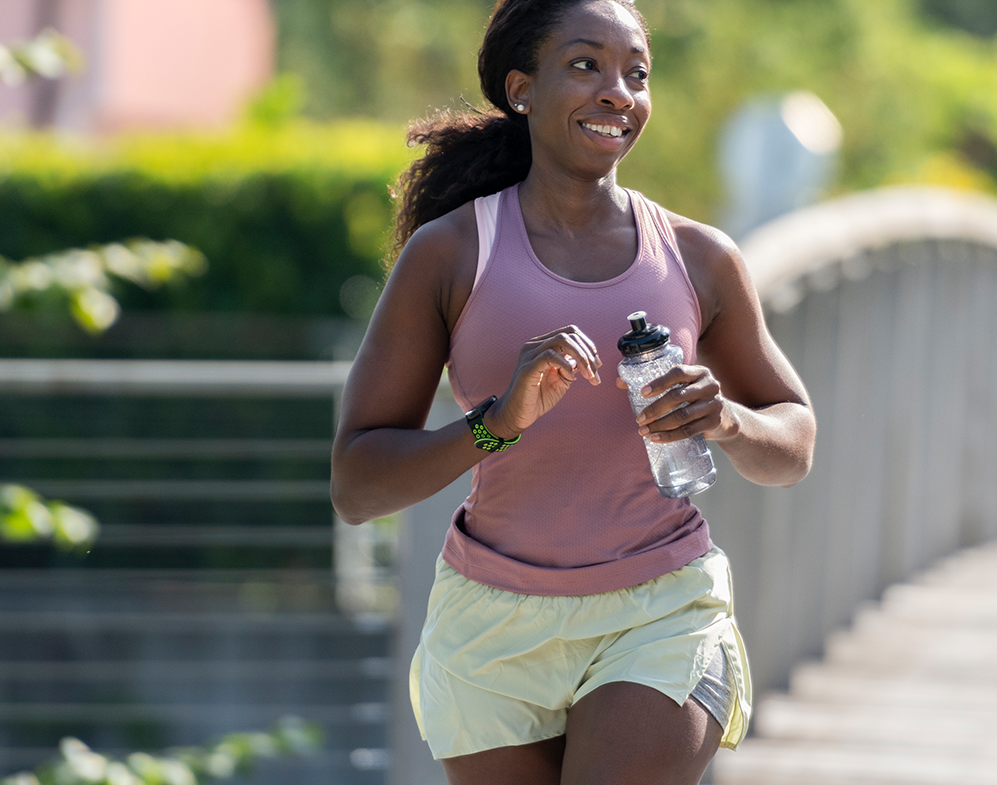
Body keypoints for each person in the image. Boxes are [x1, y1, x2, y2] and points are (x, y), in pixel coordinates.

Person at [328, 0, 816, 781]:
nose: (618, 90)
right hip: (490, 624)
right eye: (586, 64)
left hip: (657, 607)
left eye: (636, 73)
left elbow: (793, 441)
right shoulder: (451, 254)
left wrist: (722, 417)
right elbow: (357, 485)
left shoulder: (698, 257)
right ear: (522, 89)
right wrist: (495, 423)